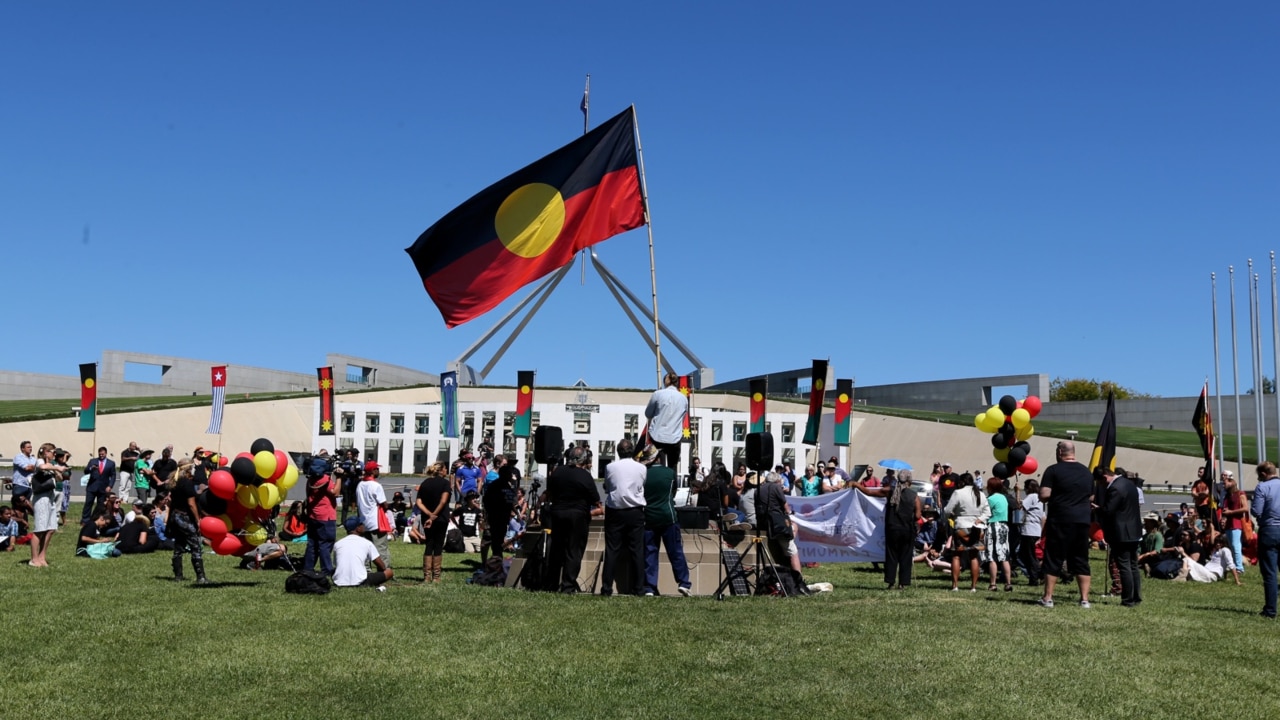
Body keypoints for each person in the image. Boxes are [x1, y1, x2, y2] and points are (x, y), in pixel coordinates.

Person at [1038, 441, 1095, 609]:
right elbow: (1091, 497)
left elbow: (1044, 494)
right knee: (1080, 558)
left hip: (1060, 519)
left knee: (1054, 557)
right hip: (1082, 520)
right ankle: (1084, 599)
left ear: (1060, 452)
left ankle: (1048, 598)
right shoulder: (1086, 472)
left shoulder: (1053, 470)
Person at [543, 445, 603, 594]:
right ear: (583, 459)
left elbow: (549, 493)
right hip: (577, 516)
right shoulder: (585, 476)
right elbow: (595, 500)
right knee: (573, 551)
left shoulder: (557, 472)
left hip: (557, 513)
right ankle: (568, 586)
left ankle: (551, 584)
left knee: (556, 550)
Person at [640, 443, 692, 596]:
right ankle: (683, 583)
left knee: (650, 553)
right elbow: (673, 492)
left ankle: (649, 586)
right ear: (658, 458)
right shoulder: (669, 473)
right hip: (668, 516)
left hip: (648, 517)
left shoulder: (642, 474)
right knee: (675, 552)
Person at [858, 468, 920, 590]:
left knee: (891, 556)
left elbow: (869, 492)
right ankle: (902, 583)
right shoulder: (914, 495)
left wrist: (856, 485)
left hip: (892, 528)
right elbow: (918, 515)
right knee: (905, 557)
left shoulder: (890, 491)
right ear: (909, 480)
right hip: (907, 530)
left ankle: (891, 582)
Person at [601, 437, 648, 597]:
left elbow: (608, 486)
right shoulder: (641, 468)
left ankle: (606, 588)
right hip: (635, 510)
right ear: (633, 451)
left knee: (612, 550)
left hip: (615, 510)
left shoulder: (610, 467)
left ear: (618, 452)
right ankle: (639, 588)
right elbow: (641, 485)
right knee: (637, 550)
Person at [754, 470, 811, 594]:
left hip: (763, 524)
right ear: (777, 481)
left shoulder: (758, 489)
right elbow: (785, 507)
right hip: (777, 525)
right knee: (793, 550)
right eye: (780, 482)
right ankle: (799, 581)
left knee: (790, 536)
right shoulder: (776, 488)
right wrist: (790, 512)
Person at [1098, 466, 1143, 606]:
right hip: (1134, 529)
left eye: (1101, 482)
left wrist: (1098, 509)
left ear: (1105, 477)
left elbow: (1109, 510)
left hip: (1121, 532)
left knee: (1124, 565)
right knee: (1133, 565)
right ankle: (1136, 596)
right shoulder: (1129, 484)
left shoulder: (1115, 488)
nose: (1102, 486)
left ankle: (1128, 599)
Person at [943, 473, 989, 592]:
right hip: (977, 527)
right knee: (974, 557)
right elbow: (987, 512)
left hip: (961, 526)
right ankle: (973, 586)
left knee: (956, 556)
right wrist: (979, 519)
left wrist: (952, 515)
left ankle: (955, 585)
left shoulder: (958, 493)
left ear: (961, 482)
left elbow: (947, 510)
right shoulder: (981, 494)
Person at [169, 461, 208, 583]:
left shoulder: (175, 483)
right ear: (187, 470)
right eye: (193, 468)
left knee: (179, 546)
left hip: (175, 516)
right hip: (185, 517)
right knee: (195, 545)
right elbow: (191, 504)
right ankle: (200, 577)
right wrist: (198, 520)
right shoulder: (187, 483)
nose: (194, 471)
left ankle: (178, 575)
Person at [27, 443, 66, 567]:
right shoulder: (39, 461)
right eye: (52, 452)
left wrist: (58, 472)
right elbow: (42, 467)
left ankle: (42, 556)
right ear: (45, 452)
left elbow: (59, 479)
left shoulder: (52, 465)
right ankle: (34, 559)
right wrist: (56, 468)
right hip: (41, 498)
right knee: (39, 529)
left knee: (51, 528)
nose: (54, 455)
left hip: (51, 498)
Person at [1251, 461, 1280, 618]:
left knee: (1270, 573)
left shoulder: (1263, 487)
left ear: (1263, 474)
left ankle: (1270, 610)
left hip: (1269, 529)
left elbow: (1256, 510)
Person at [333, 516, 394, 590]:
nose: (364, 525)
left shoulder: (338, 544)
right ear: (357, 528)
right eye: (361, 524)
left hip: (339, 582)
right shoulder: (367, 543)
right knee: (389, 572)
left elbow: (337, 565)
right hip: (360, 581)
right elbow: (381, 565)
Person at [416, 462, 452, 583]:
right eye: (445, 468)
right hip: (440, 517)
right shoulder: (445, 483)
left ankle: (426, 576)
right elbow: (443, 501)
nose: (446, 470)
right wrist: (434, 516)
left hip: (426, 518)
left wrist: (429, 515)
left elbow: (419, 503)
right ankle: (436, 577)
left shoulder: (425, 483)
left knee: (429, 543)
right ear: (441, 470)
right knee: (438, 545)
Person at [644, 372, 688, 469]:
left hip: (657, 436)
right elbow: (683, 416)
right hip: (674, 437)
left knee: (656, 466)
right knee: (673, 467)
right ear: (677, 383)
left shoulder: (657, 394)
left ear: (665, 382)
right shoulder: (683, 398)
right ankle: (673, 483)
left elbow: (648, 414)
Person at [304, 460, 339, 577]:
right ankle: (326, 569)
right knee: (325, 543)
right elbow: (335, 492)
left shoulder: (310, 480)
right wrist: (339, 478)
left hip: (313, 515)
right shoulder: (325, 480)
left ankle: (308, 568)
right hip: (326, 516)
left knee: (312, 543)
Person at [356, 460, 391, 567]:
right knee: (381, 547)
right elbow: (384, 504)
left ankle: (366, 570)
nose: (379, 471)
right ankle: (384, 570)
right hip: (376, 522)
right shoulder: (376, 485)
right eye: (377, 469)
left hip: (363, 521)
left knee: (366, 548)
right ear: (373, 471)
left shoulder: (360, 484)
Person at [982, 476, 1013, 592]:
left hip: (994, 526)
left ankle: (993, 584)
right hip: (1004, 526)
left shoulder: (990, 499)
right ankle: (1008, 583)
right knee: (1004, 555)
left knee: (992, 556)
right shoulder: (1004, 498)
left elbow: (984, 512)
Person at [483, 463, 516, 562]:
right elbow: (486, 500)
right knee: (495, 539)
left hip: (504, 518)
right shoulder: (495, 485)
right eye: (509, 473)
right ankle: (496, 557)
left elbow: (510, 502)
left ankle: (498, 556)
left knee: (500, 538)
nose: (511, 475)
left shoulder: (508, 486)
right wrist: (491, 513)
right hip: (496, 517)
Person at [1220, 470, 1248, 576]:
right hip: (1229, 523)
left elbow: (1245, 508)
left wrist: (1231, 512)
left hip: (1236, 523)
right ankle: (1234, 565)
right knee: (1231, 545)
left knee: (1236, 545)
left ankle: (1239, 567)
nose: (1223, 484)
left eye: (1225, 483)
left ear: (1231, 482)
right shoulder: (1227, 496)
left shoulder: (1240, 494)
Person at [1019, 479, 1045, 587]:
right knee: (1028, 555)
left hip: (1029, 530)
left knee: (1027, 556)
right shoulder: (1040, 499)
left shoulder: (1031, 497)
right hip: (1036, 530)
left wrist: (1017, 491)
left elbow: (1019, 505)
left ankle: (1036, 576)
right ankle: (1039, 573)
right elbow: (1043, 517)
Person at [82, 446, 116, 525]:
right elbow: (86, 471)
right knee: (88, 504)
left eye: (103, 454)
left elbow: (113, 475)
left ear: (106, 453)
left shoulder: (111, 463)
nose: (101, 455)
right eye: (100, 454)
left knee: (100, 505)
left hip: (103, 488)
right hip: (92, 487)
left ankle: (97, 519)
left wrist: (110, 486)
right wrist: (91, 468)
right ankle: (85, 520)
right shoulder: (93, 461)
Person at [11, 440, 36, 506]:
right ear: (22, 448)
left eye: (31, 447)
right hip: (19, 484)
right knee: (17, 505)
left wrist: (32, 467)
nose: (30, 448)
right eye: (28, 447)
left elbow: (37, 468)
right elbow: (27, 468)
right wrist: (32, 467)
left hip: (29, 485)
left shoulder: (33, 458)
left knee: (26, 506)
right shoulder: (18, 457)